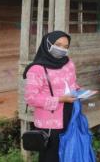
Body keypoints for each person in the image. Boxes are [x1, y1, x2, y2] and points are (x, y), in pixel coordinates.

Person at [24, 31, 80, 162]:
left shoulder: (68, 63)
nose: (62, 49)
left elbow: (72, 83)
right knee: (50, 155)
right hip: (50, 120)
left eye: (66, 46)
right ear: (47, 44)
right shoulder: (37, 69)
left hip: (69, 112)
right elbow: (31, 98)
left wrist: (80, 91)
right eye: (58, 44)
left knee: (65, 150)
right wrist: (60, 99)